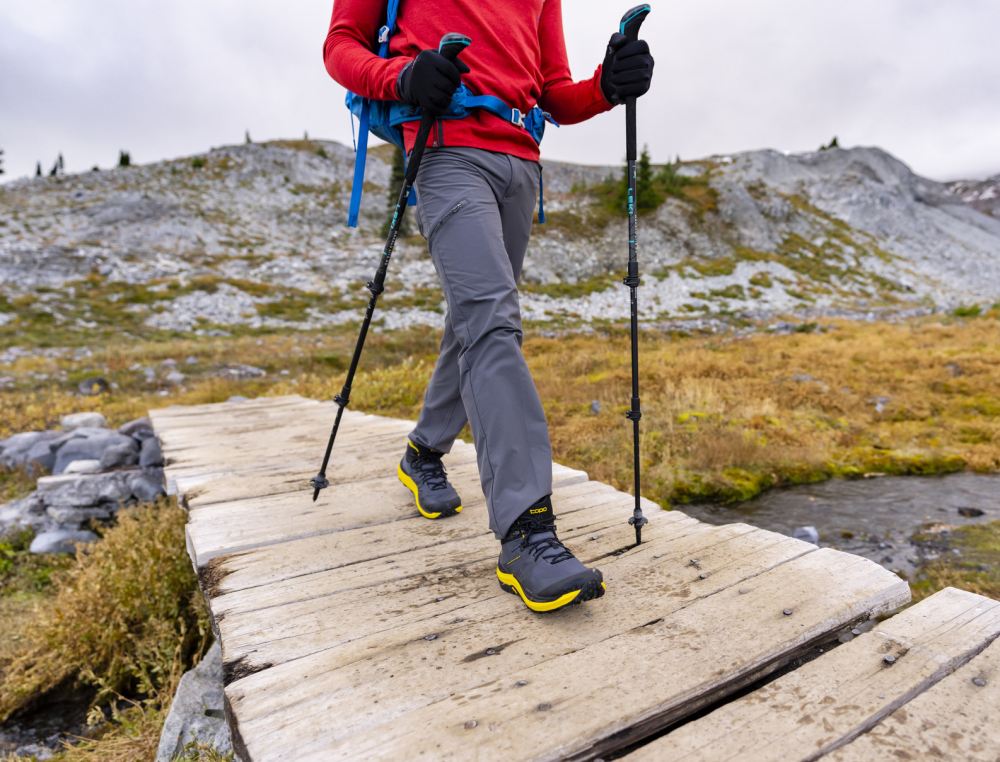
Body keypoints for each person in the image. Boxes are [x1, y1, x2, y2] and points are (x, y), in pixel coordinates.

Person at [324, 0, 654, 612]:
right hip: (448, 150)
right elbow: (341, 45)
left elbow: (555, 93)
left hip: (522, 167)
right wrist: (401, 77)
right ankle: (528, 533)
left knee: (476, 321)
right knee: (493, 322)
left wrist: (607, 87)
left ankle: (423, 451)